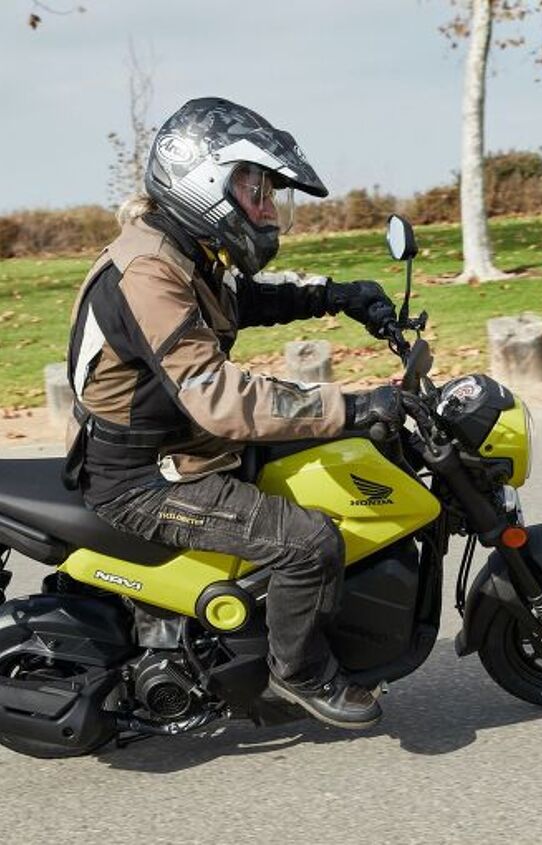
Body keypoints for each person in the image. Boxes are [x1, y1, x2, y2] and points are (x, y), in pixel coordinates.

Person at [63, 97, 404, 729]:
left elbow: (245, 298)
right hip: (145, 479)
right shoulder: (148, 271)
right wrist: (354, 406)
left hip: (182, 445)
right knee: (307, 542)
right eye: (257, 192)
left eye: (271, 194)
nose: (269, 209)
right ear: (205, 182)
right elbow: (219, 399)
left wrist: (341, 296)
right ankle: (299, 675)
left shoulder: (184, 250)